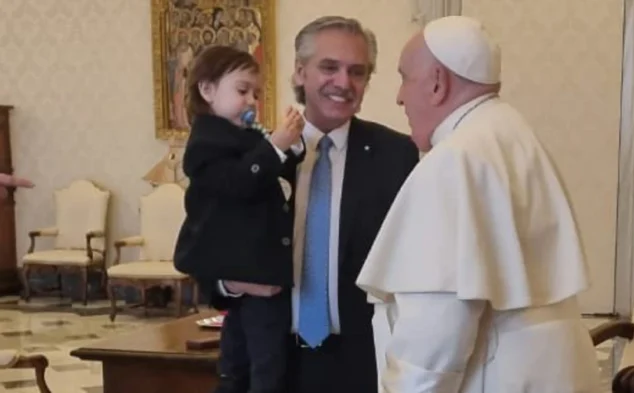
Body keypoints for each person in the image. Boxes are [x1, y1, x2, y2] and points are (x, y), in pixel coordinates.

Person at [356, 15, 602, 392]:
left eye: (405, 77)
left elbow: (435, 332)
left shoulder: (455, 160)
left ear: (437, 83)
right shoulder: (513, 135)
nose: (399, 96)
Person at [215, 16, 421, 393]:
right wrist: (227, 282)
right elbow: (201, 253)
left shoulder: (397, 157)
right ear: (299, 72)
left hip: (361, 365)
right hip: (267, 363)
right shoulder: (251, 155)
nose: (343, 83)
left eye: (357, 72)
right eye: (329, 67)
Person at [173, 45, 306, 393]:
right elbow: (239, 182)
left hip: (258, 268)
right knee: (259, 362)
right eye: (242, 90)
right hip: (243, 268)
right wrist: (275, 146)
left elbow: (273, 172)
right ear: (207, 90)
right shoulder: (207, 141)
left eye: (256, 94)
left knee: (248, 357)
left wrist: (291, 147)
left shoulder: (248, 137)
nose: (252, 101)